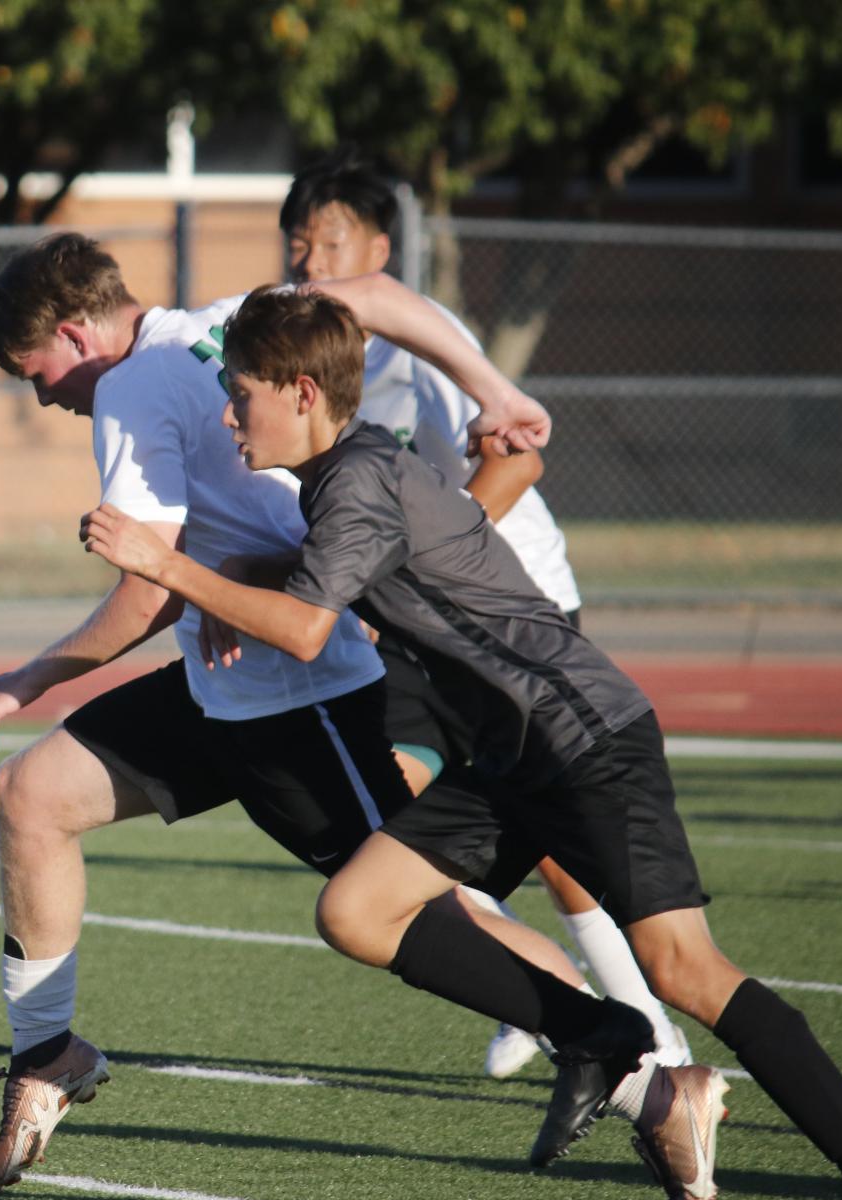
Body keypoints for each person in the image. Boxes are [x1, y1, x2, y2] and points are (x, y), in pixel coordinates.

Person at [81, 285, 842, 1200]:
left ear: (302, 392)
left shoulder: (353, 482)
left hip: (581, 737)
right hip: (513, 754)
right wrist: (241, 580)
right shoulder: (354, 468)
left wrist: (166, 566)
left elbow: (305, 627)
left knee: (688, 969)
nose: (228, 413)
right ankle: (596, 1030)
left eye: (243, 391)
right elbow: (319, 573)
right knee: (357, 909)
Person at [0, 234, 642, 1199]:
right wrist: (494, 386)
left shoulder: (128, 388)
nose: (40, 397)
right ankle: (47, 1056)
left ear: (75, 331)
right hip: (223, 683)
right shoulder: (225, 320)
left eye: (36, 373)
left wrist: (30, 676)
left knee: (417, 909)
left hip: (301, 692)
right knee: (32, 794)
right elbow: (376, 297)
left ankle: (648, 1075)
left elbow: (146, 587)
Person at [279, 147, 692, 1083]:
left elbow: (512, 461)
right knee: (406, 806)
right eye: (297, 243)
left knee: (552, 841)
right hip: (416, 612)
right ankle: (538, 994)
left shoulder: (420, 343)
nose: (309, 261)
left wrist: (403, 565)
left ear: (377, 249)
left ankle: (638, 1028)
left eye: (329, 241)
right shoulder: (309, 347)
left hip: (509, 597)